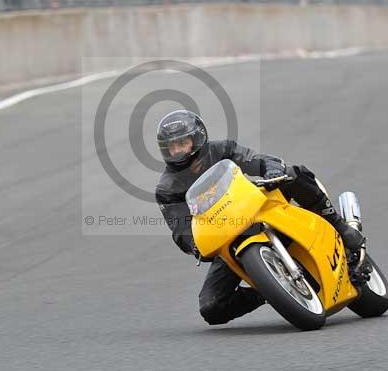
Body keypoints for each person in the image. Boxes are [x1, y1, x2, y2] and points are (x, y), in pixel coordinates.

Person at [155, 110, 370, 326]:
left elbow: (253, 159)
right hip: (224, 235)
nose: (176, 150)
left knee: (294, 174)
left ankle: (341, 227)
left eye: (181, 143)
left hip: (254, 206)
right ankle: (270, 289)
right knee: (211, 307)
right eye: (171, 147)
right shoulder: (167, 189)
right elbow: (181, 229)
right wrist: (195, 244)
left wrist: (271, 169)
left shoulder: (222, 149)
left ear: (197, 138)